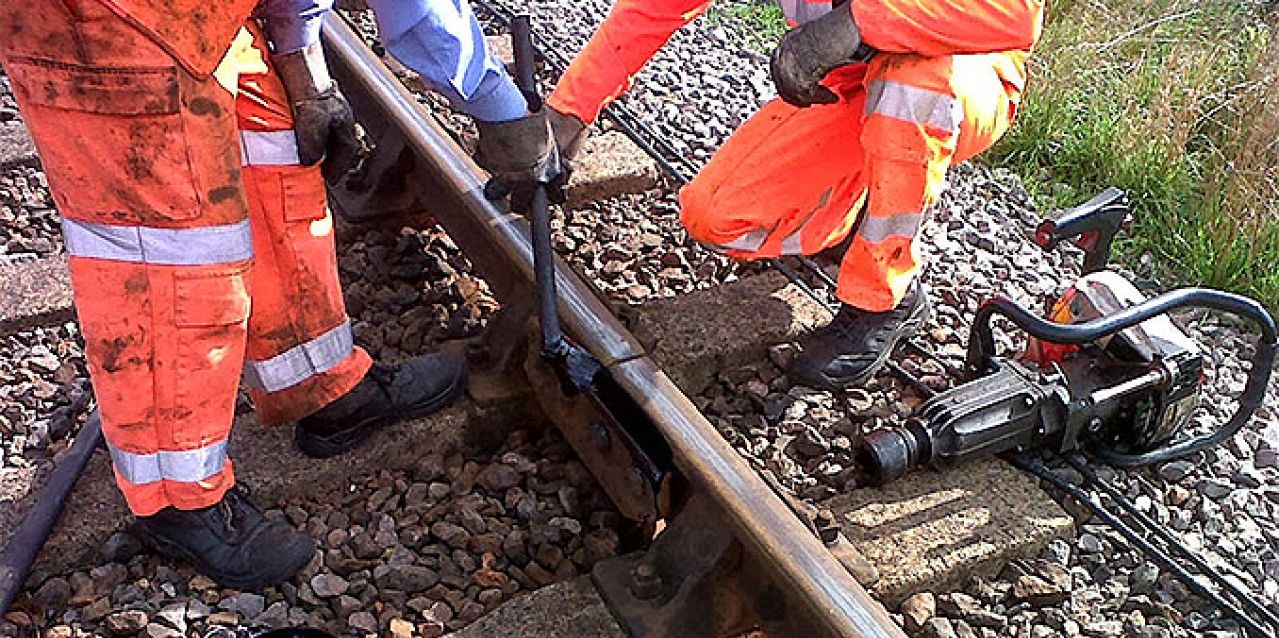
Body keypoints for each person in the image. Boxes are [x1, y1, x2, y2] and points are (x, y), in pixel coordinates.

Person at [0, 0, 558, 590]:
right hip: (98, 26)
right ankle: (176, 499)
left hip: (199, 18)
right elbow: (415, 14)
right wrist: (498, 107)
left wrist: (300, 62)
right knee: (176, 255)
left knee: (273, 154)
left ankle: (323, 388)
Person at [547, 0, 1044, 390]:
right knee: (715, 216)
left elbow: (1015, 13)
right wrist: (574, 105)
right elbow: (656, 7)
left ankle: (885, 295)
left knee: (912, 90)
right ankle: (853, 226)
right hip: (849, 88)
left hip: (957, 80)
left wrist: (860, 20)